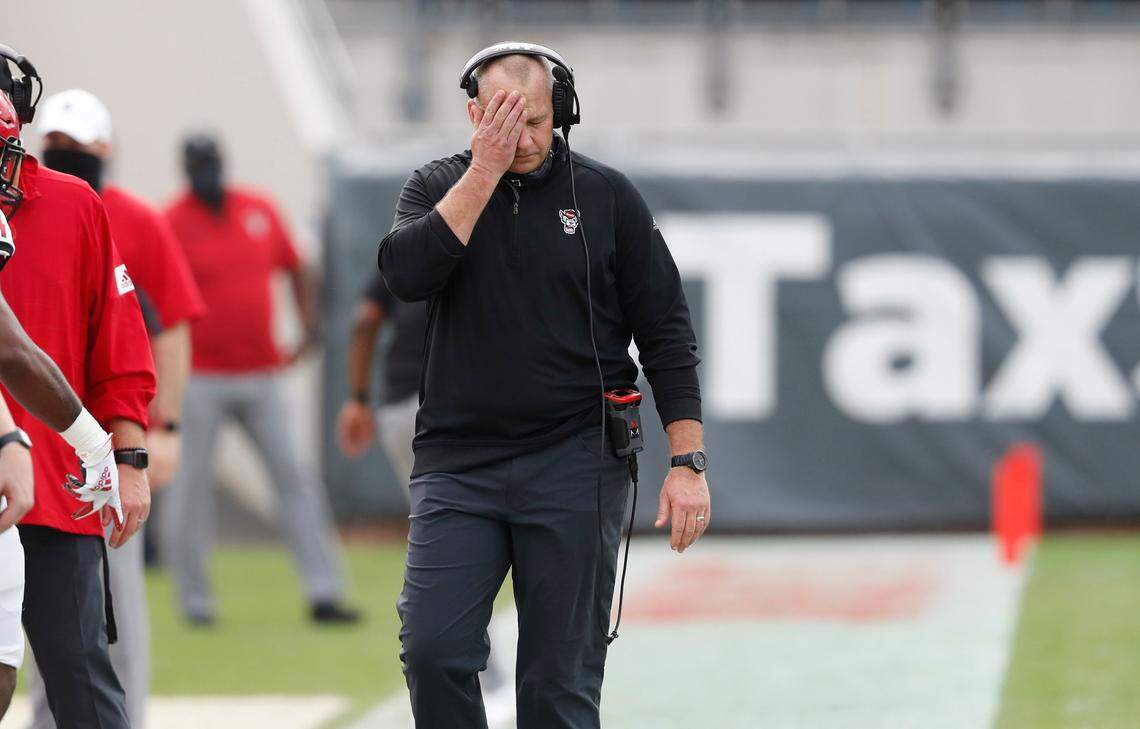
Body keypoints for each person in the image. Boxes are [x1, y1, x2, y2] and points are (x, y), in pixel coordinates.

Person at [377, 42, 712, 728]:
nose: (522, 139)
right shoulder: (436, 183)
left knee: (558, 685)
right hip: (457, 463)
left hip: (576, 461)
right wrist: (483, 171)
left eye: (535, 121)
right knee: (434, 649)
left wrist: (688, 461)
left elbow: (667, 332)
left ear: (561, 114)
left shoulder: (606, 196)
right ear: (473, 113)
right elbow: (404, 275)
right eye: (503, 119)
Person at [23, 88, 207, 729]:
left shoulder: (102, 213)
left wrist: (159, 433)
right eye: (59, 150)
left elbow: (159, 328)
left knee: (98, 635)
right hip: (49, 449)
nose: (70, 161)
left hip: (79, 461)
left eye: (81, 151)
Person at [0, 44, 155, 729]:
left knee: (84, 682)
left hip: (58, 488)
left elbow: (118, 348)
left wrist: (130, 457)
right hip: (45, 465)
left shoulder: (75, 207)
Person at [163, 134, 358, 625]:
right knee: (190, 487)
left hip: (261, 373)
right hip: (200, 376)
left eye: (210, 163)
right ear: (186, 170)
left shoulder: (258, 209)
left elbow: (297, 266)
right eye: (198, 165)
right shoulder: (172, 221)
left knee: (296, 477)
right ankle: (195, 602)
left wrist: (307, 325)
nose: (206, 172)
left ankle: (324, 592)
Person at [336, 274, 515, 719]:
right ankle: (487, 674)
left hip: (402, 406)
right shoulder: (493, 233)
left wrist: (357, 397)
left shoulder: (410, 243)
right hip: (467, 406)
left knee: (445, 533)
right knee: (470, 540)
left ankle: (481, 670)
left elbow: (365, 324)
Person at [0, 205, 132, 723]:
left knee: (6, 668)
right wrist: (93, 444)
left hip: (37, 483)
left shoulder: (73, 208)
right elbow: (13, 353)